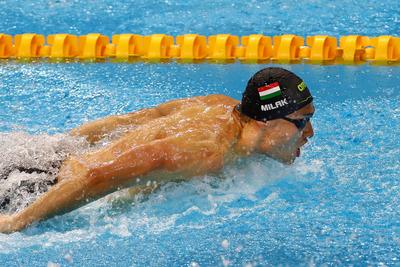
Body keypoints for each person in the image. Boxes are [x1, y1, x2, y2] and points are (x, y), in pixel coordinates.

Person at [0, 67, 315, 233]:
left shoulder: (219, 106)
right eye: (301, 122)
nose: (309, 134)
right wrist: (17, 222)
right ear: (263, 123)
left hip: (46, 160)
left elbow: (142, 117)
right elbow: (97, 175)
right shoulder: (206, 154)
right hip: (35, 189)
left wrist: (61, 143)